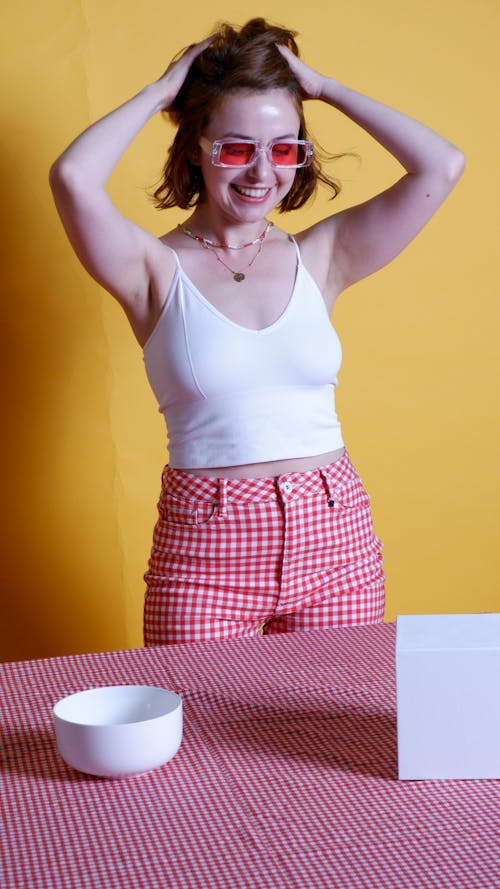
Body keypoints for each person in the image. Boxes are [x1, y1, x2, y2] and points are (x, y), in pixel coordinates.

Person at [49, 19, 465, 645]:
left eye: (285, 148)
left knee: (339, 735)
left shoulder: (323, 256)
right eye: (238, 147)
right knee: (200, 738)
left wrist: (324, 88)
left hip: (335, 539)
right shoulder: (152, 270)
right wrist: (162, 93)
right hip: (206, 554)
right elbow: (73, 179)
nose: (262, 172)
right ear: (195, 146)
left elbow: (442, 163)